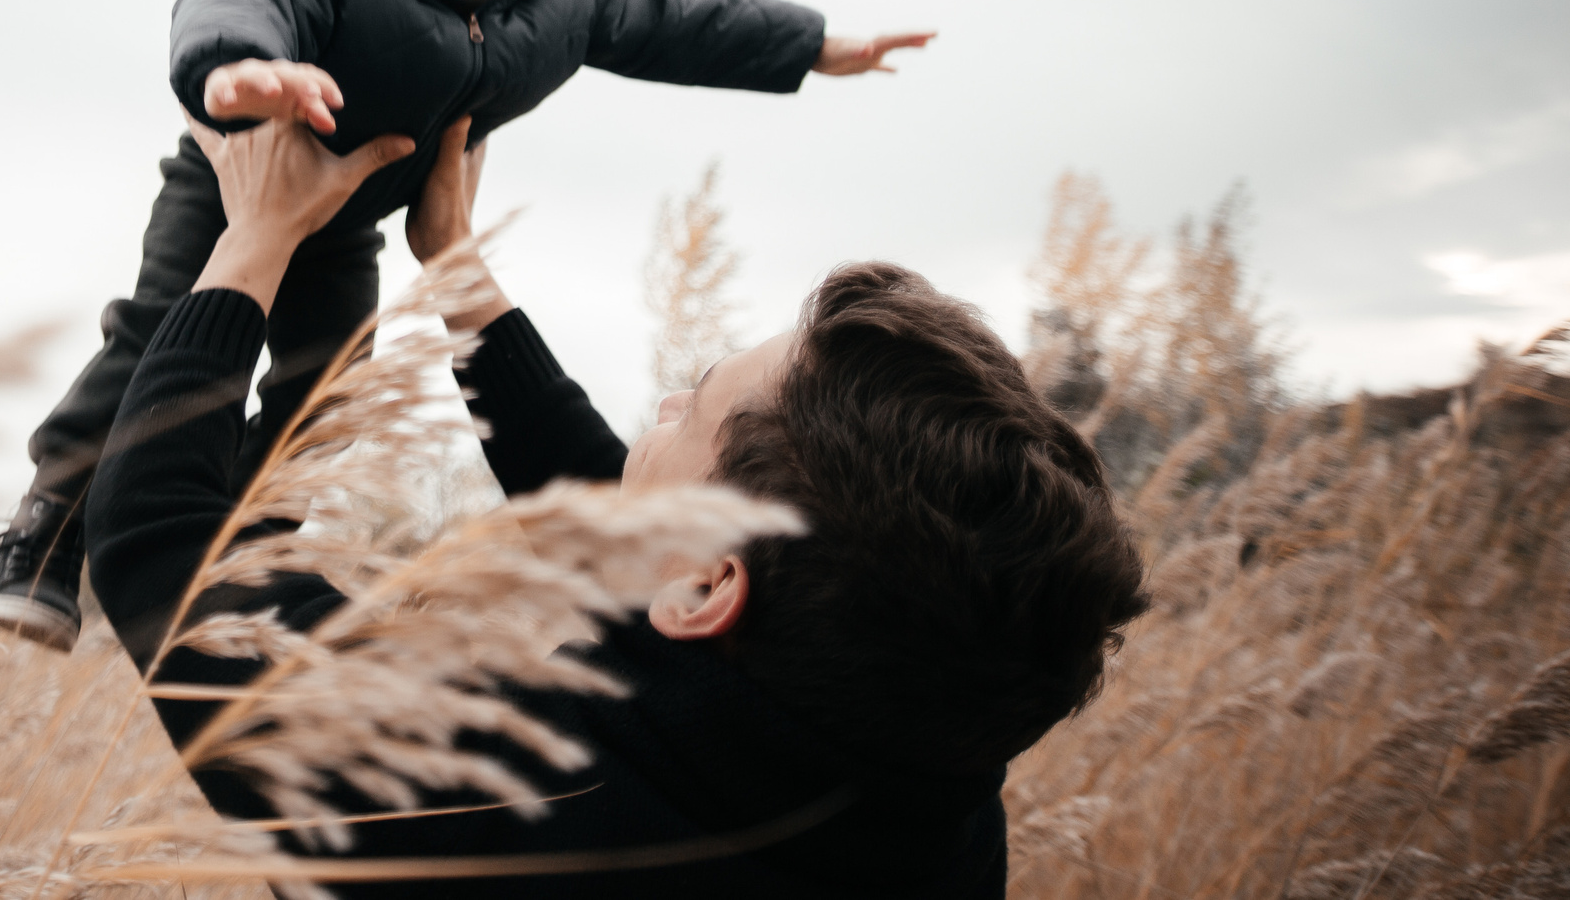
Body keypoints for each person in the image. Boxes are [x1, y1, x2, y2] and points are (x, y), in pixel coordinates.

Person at [0, 0, 931, 644]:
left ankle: (245, 544)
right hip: (241, 173)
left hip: (352, 217)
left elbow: (678, 17)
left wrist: (811, 46)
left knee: (334, 391)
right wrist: (235, 64)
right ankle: (47, 532)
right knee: (154, 340)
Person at [86, 112, 1150, 897]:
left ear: (706, 586)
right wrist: (454, 269)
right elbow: (641, 533)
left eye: (695, 409)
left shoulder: (502, 806)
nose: (669, 400)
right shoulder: (929, 779)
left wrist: (252, 242)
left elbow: (165, 549)